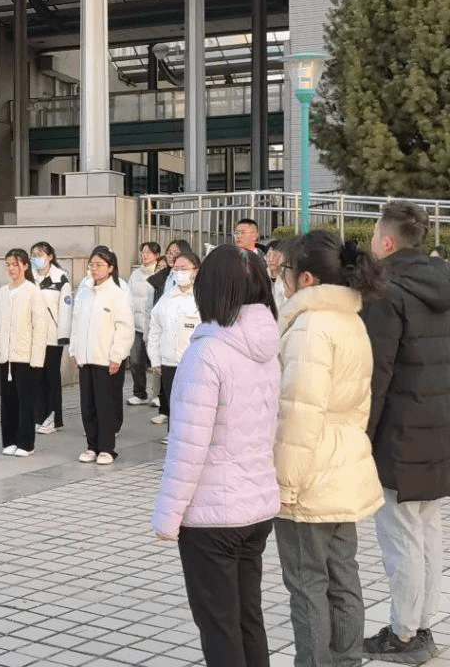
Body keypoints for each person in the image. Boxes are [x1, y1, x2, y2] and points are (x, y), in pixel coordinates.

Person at [152, 245, 280, 667]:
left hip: (213, 517)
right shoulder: (267, 349)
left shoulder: (206, 353)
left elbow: (188, 447)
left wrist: (168, 516)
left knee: (220, 627)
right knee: (247, 619)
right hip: (255, 509)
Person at [273, 230, 384, 667]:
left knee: (307, 585)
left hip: (310, 473)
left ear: (306, 279)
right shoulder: (351, 320)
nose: (280, 277)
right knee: (343, 578)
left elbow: (299, 416)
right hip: (345, 466)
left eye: (284, 269)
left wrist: (285, 485)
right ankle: (347, 661)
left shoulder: (310, 327)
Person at [362, 200, 450, 662]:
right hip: (438, 428)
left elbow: (376, 375)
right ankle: (421, 625)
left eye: (376, 236)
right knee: (427, 530)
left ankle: (403, 635)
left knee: (401, 538)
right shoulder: (444, 281)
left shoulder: (386, 291)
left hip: (398, 432)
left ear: (389, 241)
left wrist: (361, 436)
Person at [70, 247, 134, 465]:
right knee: (87, 405)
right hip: (85, 358)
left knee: (105, 405)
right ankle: (91, 446)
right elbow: (76, 322)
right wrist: (74, 349)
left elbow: (125, 328)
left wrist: (117, 356)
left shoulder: (117, 294)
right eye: (92, 264)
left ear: (110, 268)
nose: (95, 269)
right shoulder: (85, 292)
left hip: (106, 359)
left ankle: (107, 448)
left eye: (99, 265)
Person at [0, 249, 47, 457]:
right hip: (6, 356)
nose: (11, 269)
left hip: (25, 356)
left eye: (15, 264)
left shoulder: (33, 292)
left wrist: (36, 359)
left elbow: (40, 327)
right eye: (8, 264)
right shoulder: (2, 293)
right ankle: (9, 440)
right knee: (8, 401)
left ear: (25, 266)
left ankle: (26, 443)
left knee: (25, 401)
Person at [147, 251, 201, 438]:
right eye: (176, 269)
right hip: (169, 362)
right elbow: (155, 329)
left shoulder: (203, 298)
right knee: (173, 405)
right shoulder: (167, 298)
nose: (179, 273)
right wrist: (155, 359)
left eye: (184, 268)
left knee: (193, 407)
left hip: (194, 364)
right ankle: (174, 439)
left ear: (196, 270)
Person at [144, 239, 193, 410]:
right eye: (169, 252)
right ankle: (166, 415)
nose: (172, 256)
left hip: (189, 356)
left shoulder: (199, 294)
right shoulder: (163, 282)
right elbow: (154, 319)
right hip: (167, 349)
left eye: (176, 252)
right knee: (168, 391)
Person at [30, 242, 72, 435]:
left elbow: (65, 309)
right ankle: (38, 416)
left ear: (50, 256)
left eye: (40, 254)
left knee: (51, 378)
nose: (36, 258)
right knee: (36, 378)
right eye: (34, 254)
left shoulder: (61, 279)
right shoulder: (30, 277)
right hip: (33, 336)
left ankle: (53, 418)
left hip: (52, 337)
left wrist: (63, 335)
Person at [127, 242, 161, 408]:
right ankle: (139, 393)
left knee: (156, 362)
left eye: (149, 253)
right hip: (136, 326)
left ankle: (158, 394)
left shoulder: (159, 273)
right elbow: (129, 297)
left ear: (157, 255)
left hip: (153, 326)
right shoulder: (135, 274)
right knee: (135, 362)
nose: (145, 255)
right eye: (143, 252)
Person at [264, 239, 288, 310]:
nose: (270, 259)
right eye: (268, 255)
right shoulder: (262, 276)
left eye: (275, 255)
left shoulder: (288, 279)